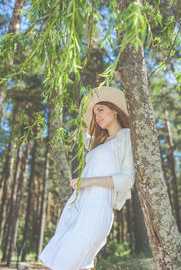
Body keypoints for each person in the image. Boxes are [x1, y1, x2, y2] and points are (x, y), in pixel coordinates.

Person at [38, 86, 135, 270]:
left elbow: (127, 179)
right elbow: (79, 134)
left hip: (97, 209)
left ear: (115, 110)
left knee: (62, 264)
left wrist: (88, 182)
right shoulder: (100, 142)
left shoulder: (125, 136)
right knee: (73, 263)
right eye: (94, 113)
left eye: (101, 110)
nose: (97, 116)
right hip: (78, 206)